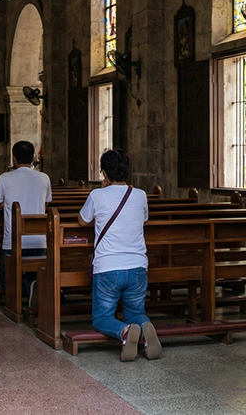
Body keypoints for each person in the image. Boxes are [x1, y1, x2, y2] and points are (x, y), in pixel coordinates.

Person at [78, 149, 161, 362]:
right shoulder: (140, 195)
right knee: (135, 311)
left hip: (108, 267)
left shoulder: (97, 195)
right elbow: (143, 219)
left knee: (102, 317)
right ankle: (144, 327)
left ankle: (124, 331)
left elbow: (82, 221)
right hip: (137, 267)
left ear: (104, 173)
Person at [0, 141, 51, 305]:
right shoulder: (44, 177)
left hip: (12, 241)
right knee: (36, 274)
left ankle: (29, 288)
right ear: (33, 158)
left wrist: (8, 202)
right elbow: (46, 203)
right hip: (39, 240)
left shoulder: (5, 178)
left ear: (14, 158)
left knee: (7, 284)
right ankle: (37, 286)